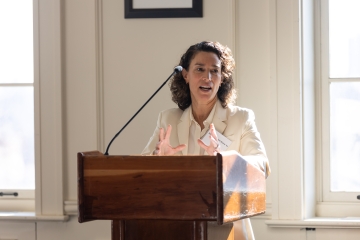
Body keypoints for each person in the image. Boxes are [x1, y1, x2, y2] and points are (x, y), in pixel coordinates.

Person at [141, 41, 270, 240]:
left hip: (227, 227)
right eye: (199, 69)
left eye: (214, 71)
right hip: (177, 227)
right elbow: (141, 167)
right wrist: (158, 159)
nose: (207, 77)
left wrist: (226, 162)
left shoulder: (241, 118)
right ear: (185, 75)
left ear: (222, 78)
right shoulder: (168, 119)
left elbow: (262, 165)